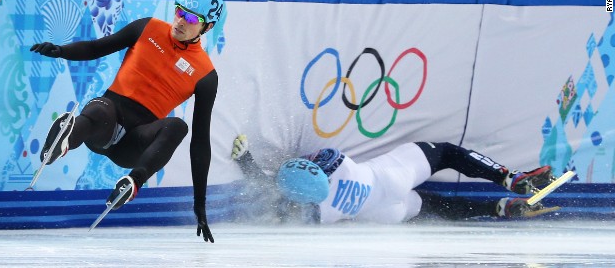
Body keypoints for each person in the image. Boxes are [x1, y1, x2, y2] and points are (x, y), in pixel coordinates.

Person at [30, 0, 227, 243]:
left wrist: (200, 203)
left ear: (207, 27)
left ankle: (132, 183)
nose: (180, 20)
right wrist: (61, 51)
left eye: (191, 18)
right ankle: (64, 141)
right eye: (179, 10)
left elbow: (200, 142)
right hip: (104, 124)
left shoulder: (205, 75)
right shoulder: (148, 27)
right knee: (101, 107)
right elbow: (97, 47)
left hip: (133, 144)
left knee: (178, 126)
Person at [230, 135, 558, 224]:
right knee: (445, 153)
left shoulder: (317, 213)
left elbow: (273, 194)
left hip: (384, 213)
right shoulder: (335, 161)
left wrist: (246, 163)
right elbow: (291, 176)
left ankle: (500, 209)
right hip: (388, 176)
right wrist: (248, 156)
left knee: (436, 205)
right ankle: (512, 179)